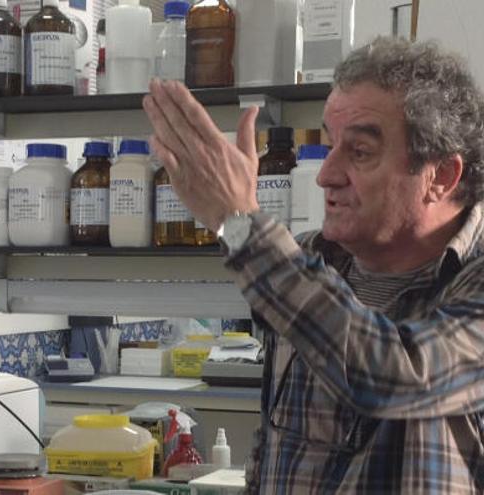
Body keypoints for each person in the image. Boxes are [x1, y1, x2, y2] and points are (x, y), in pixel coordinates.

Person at [144, 36, 484, 492]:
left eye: (359, 152)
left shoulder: (473, 280)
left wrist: (237, 219)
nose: (326, 174)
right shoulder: (312, 261)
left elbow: (395, 374)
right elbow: (272, 447)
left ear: (440, 177)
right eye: (329, 145)